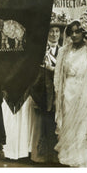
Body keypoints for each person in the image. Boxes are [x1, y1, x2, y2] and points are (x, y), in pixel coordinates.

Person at [54, 18, 87, 167]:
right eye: (71, 32)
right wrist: (59, 93)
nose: (74, 35)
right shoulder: (63, 51)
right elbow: (57, 74)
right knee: (68, 124)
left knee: (83, 124)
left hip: (85, 91)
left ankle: (83, 159)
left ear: (83, 33)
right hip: (68, 92)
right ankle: (69, 158)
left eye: (77, 32)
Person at [28, 20, 65, 163]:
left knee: (56, 123)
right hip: (42, 91)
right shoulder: (40, 51)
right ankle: (41, 156)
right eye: (51, 31)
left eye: (57, 31)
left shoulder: (63, 50)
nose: (54, 34)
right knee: (41, 123)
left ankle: (56, 157)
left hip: (58, 91)